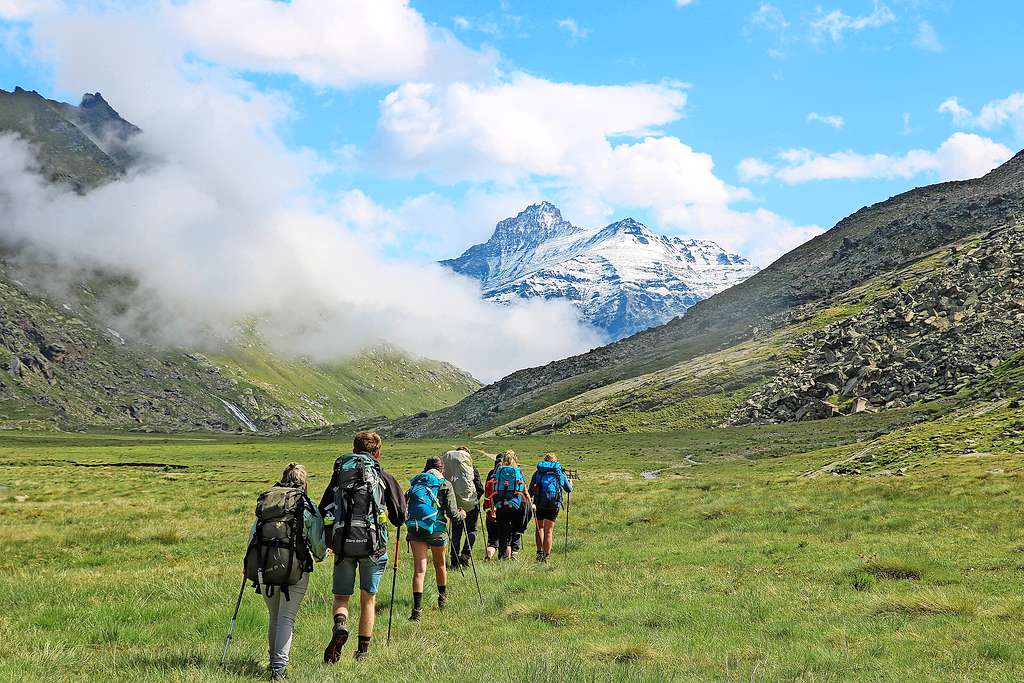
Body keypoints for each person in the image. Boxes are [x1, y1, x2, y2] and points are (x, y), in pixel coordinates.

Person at [318, 431, 406, 664]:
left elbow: (323, 508)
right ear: (377, 452)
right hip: (373, 546)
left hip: (344, 546)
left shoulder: (340, 476)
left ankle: (340, 624)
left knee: (341, 598)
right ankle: (363, 652)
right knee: (368, 599)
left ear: (354, 450)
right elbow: (399, 517)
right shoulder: (382, 476)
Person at [244, 463, 326, 681]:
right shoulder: (307, 505)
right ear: (304, 482)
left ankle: (273, 662)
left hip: (264, 567)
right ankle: (278, 669)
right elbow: (317, 545)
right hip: (295, 569)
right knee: (286, 617)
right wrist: (321, 555)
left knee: (274, 616)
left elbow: (253, 536)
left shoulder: (267, 502)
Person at [406, 456, 466, 620]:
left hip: (416, 529)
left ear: (425, 469)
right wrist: (462, 514)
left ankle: (417, 610)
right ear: (441, 469)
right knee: (440, 566)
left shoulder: (416, 484)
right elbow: (453, 514)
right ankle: (442, 600)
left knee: (419, 570)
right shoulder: (445, 484)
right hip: (437, 530)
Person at [441, 446, 483, 568]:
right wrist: (474, 499)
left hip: (455, 504)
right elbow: (480, 488)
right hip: (471, 504)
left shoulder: (449, 469)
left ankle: (454, 560)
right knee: (472, 530)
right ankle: (465, 556)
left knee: (456, 532)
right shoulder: (471, 468)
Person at [486, 450, 531, 560]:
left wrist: (493, 508)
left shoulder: (498, 471)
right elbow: (525, 489)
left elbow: (493, 490)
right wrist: (530, 502)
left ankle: (502, 556)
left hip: (501, 505)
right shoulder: (518, 471)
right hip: (515, 505)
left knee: (502, 531)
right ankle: (514, 552)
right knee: (515, 529)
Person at [529, 453, 574, 562]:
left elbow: (530, 491)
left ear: (544, 461)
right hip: (553, 504)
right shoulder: (558, 472)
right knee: (549, 531)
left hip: (539, 503)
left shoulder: (538, 473)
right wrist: (570, 483)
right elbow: (568, 489)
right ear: (555, 461)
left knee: (539, 528)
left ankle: (539, 552)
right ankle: (546, 557)